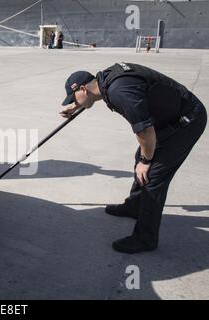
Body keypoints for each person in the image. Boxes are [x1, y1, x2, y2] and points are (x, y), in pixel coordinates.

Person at [59, 63, 207, 254]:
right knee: (142, 157)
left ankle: (146, 238)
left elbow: (145, 130)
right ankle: (134, 207)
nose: (74, 101)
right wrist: (75, 106)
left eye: (74, 97)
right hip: (170, 117)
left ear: (82, 89)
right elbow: (91, 99)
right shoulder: (106, 80)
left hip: (187, 121)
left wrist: (146, 162)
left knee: (152, 176)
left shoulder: (119, 91)